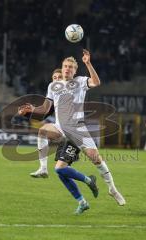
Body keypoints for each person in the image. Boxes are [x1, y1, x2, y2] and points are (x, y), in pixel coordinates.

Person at [18, 49, 126, 210]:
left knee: (96, 159)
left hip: (78, 129)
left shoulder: (81, 82)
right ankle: (42, 168)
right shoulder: (53, 86)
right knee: (42, 131)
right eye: (65, 66)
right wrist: (30, 112)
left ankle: (112, 189)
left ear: (75, 71)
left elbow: (96, 82)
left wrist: (88, 63)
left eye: (70, 67)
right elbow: (44, 109)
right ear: (62, 68)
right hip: (60, 128)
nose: (67, 69)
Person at [21, 68, 99, 214]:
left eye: (59, 77)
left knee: (60, 169)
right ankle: (82, 201)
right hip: (63, 134)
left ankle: (88, 181)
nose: (56, 80)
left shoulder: (70, 92)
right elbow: (43, 114)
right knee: (61, 172)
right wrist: (29, 112)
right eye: (54, 77)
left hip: (75, 135)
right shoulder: (54, 96)